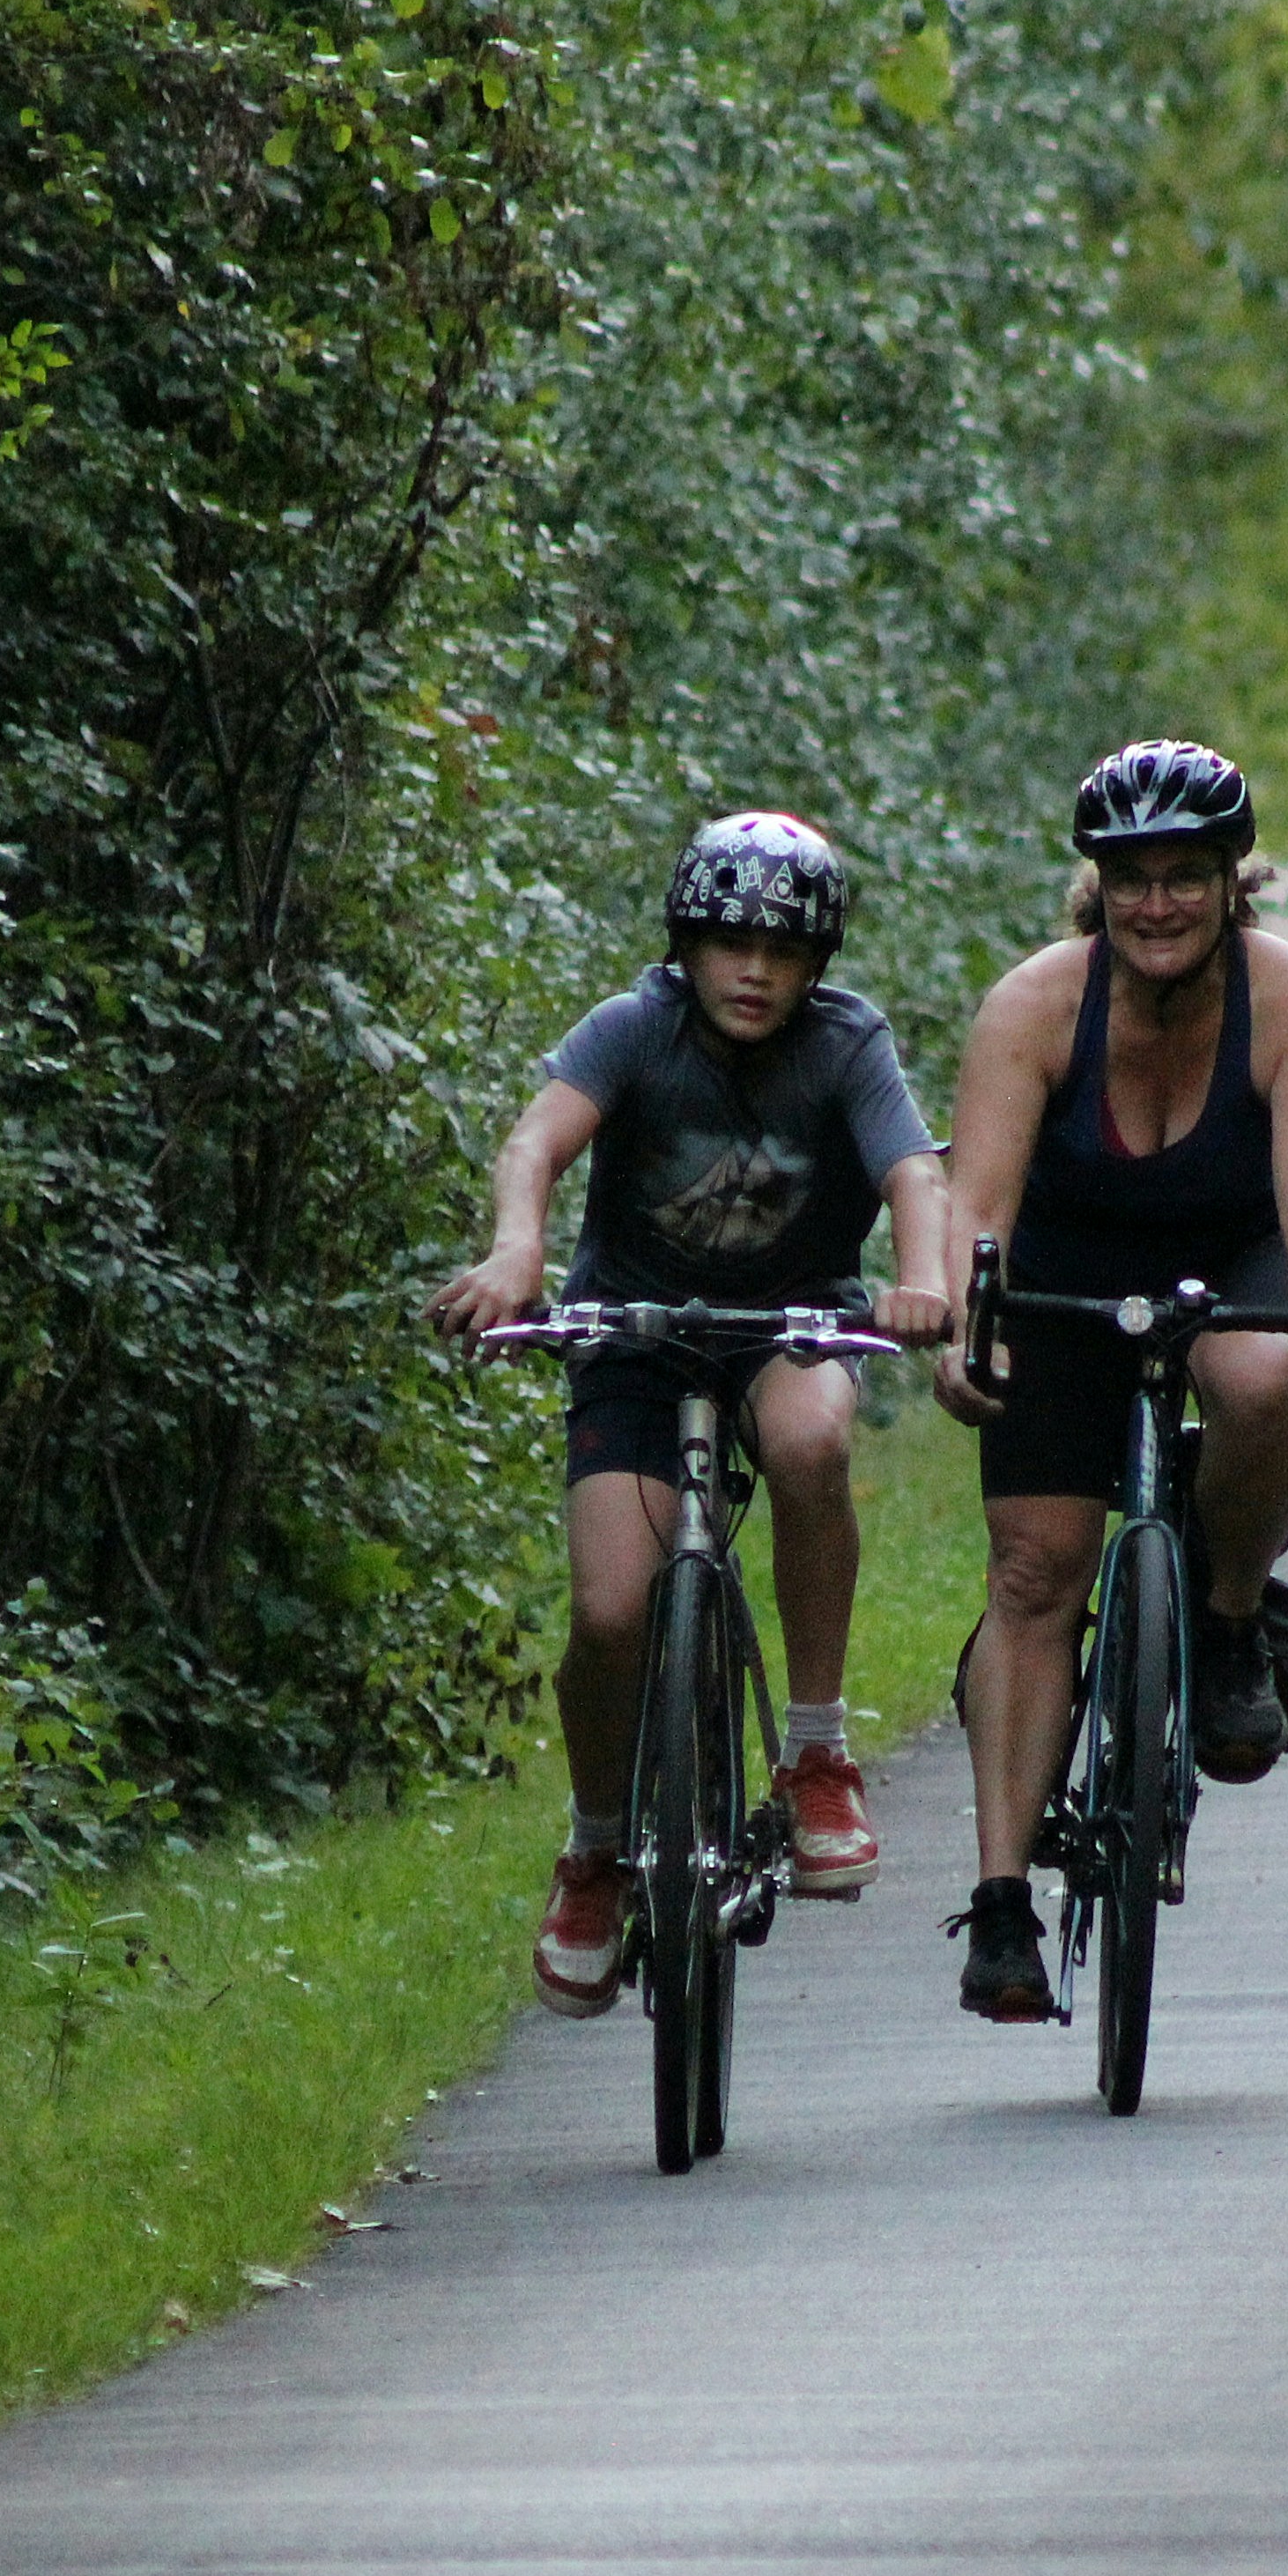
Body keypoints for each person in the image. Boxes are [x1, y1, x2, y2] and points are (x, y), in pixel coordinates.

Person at [426, 814, 953, 2018]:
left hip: (790, 1328)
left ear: (818, 962)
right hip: (635, 1333)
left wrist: (921, 1278)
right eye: (727, 944)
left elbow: (913, 1173)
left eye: (781, 949)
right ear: (685, 946)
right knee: (613, 1611)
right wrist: (518, 1255)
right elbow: (539, 1140)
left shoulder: (846, 1041)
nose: (753, 972)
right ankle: (598, 1849)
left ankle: (817, 1752)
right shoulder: (633, 1029)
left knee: (814, 1440)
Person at [929, 740, 1288, 2021]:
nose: (1159, 903)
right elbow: (980, 1207)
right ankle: (1005, 1903)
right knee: (1034, 1570)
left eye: (1187, 876)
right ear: (1099, 887)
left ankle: (1231, 1623)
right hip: (1069, 1261)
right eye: (1133, 879)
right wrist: (971, 1331)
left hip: (1227, 1245)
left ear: (1236, 882)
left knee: (1253, 1372)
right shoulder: (1031, 1006)